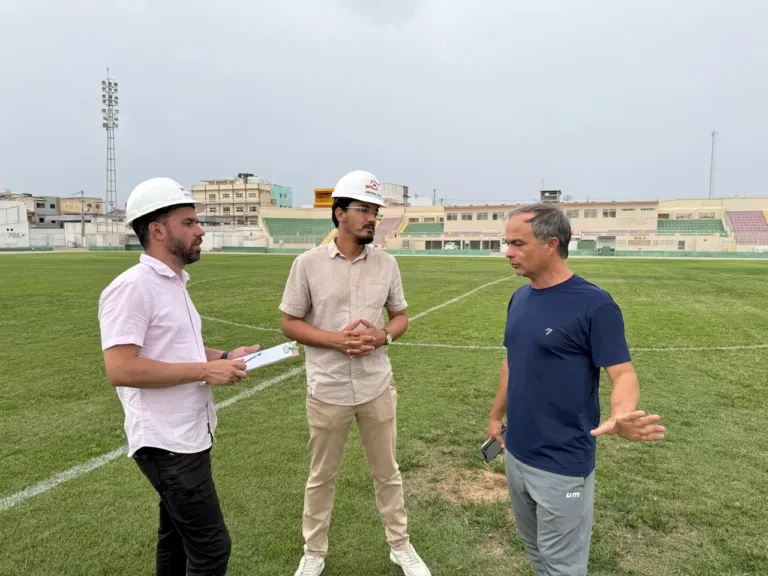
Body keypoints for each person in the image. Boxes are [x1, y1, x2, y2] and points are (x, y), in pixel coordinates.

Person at [486, 203, 665, 576]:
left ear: (552, 244)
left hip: (562, 464)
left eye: (517, 244)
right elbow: (512, 363)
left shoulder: (594, 304)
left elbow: (623, 374)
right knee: (537, 553)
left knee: (563, 566)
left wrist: (621, 414)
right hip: (517, 453)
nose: (508, 253)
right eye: (507, 243)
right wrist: (495, 416)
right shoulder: (519, 298)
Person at [98, 177, 261, 576]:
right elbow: (121, 368)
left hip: (187, 435)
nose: (200, 230)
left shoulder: (172, 284)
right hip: (166, 444)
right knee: (211, 549)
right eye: (189, 222)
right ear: (157, 230)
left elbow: (176, 347)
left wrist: (224, 356)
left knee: (176, 540)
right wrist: (206, 370)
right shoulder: (133, 288)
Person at [279, 170, 431, 576]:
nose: (371, 218)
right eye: (363, 209)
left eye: (375, 212)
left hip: (376, 386)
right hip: (327, 388)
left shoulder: (387, 264)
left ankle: (401, 546)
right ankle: (314, 553)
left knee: (388, 473)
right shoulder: (307, 264)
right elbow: (290, 323)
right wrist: (335, 341)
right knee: (321, 476)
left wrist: (381, 337)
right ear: (340, 213)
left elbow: (400, 317)